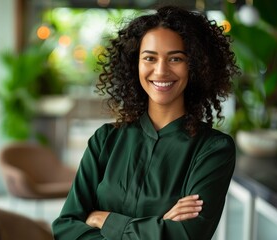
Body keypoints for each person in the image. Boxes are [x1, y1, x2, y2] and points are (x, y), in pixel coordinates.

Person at [52, 5, 240, 240]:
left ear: (195, 67)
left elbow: (187, 235)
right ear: (135, 65)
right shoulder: (105, 140)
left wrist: (104, 219)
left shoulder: (213, 149)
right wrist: (160, 226)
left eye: (176, 58)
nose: (160, 70)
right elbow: (66, 227)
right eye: (150, 58)